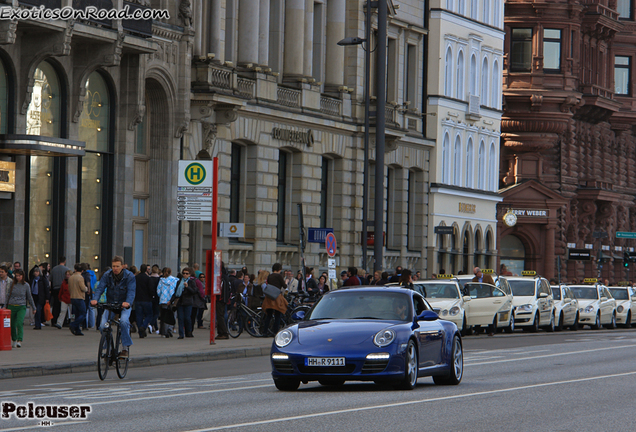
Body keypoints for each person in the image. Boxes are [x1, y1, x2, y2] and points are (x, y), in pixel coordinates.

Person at [91, 256, 136, 358]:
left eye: (117, 266)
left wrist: (128, 302)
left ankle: (125, 348)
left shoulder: (129, 276)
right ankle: (108, 347)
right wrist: (95, 299)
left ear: (123, 266)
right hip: (111, 304)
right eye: (113, 266)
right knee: (102, 326)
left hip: (124, 305)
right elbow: (100, 288)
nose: (115, 268)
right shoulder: (107, 275)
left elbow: (131, 292)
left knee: (124, 322)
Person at [6, 269, 36, 347]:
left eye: (19, 275)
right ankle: (14, 339)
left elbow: (29, 297)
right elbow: (8, 294)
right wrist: (5, 306)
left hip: (21, 306)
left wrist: (33, 307)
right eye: (16, 275)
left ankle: (19, 339)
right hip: (11, 305)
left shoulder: (26, 285)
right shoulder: (12, 283)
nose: (18, 277)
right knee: (12, 324)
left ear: (23, 276)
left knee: (19, 322)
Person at [170, 267, 200, 339]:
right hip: (180, 302)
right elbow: (176, 292)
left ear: (189, 274)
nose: (185, 275)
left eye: (187, 273)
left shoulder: (191, 282)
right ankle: (181, 334)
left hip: (188, 302)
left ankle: (189, 331)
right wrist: (171, 301)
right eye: (183, 273)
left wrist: (187, 287)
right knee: (180, 318)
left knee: (187, 318)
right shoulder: (179, 282)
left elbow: (194, 291)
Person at [262, 263, 288, 336]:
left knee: (269, 315)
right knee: (277, 315)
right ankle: (275, 331)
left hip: (269, 297)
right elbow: (284, 286)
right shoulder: (279, 276)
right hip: (277, 297)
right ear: (279, 269)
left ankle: (265, 332)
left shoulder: (270, 276)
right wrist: (286, 282)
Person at [135, 264, 155, 338]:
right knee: (149, 315)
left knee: (139, 315)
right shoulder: (148, 278)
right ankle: (144, 326)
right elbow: (151, 289)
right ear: (146, 269)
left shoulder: (136, 278)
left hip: (138, 299)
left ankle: (141, 332)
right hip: (147, 299)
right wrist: (152, 295)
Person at [157, 267, 178, 337]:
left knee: (164, 315)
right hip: (171, 300)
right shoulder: (175, 280)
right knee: (173, 314)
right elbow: (175, 291)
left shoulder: (161, 280)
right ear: (171, 272)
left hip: (163, 300)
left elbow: (158, 291)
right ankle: (170, 328)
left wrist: (162, 296)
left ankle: (164, 331)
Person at [68, 263, 88, 336]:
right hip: (79, 297)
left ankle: (77, 330)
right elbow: (83, 288)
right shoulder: (80, 277)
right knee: (83, 313)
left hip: (72, 297)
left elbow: (69, 288)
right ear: (82, 270)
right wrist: (86, 288)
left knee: (77, 314)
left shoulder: (71, 277)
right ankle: (73, 324)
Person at [49, 257, 69, 326]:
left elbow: (50, 279)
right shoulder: (66, 269)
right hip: (63, 289)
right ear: (65, 261)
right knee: (64, 306)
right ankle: (63, 321)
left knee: (55, 305)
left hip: (55, 288)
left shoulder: (54, 269)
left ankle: (54, 320)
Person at [29, 266, 50, 330]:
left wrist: (47, 298)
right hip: (34, 296)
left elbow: (46, 289)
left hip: (40, 296)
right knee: (35, 310)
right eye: (35, 272)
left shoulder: (43, 279)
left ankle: (38, 324)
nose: (36, 273)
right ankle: (36, 323)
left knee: (38, 310)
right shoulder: (32, 279)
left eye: (37, 272)